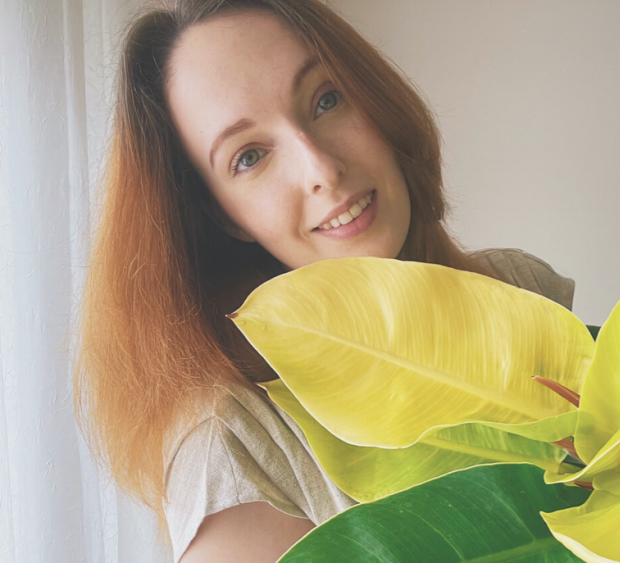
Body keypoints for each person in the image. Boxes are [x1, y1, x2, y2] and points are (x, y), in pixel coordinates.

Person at [71, 1, 576, 561]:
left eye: (326, 99)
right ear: (222, 216)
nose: (322, 169)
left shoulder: (521, 291)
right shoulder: (236, 441)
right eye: (250, 157)